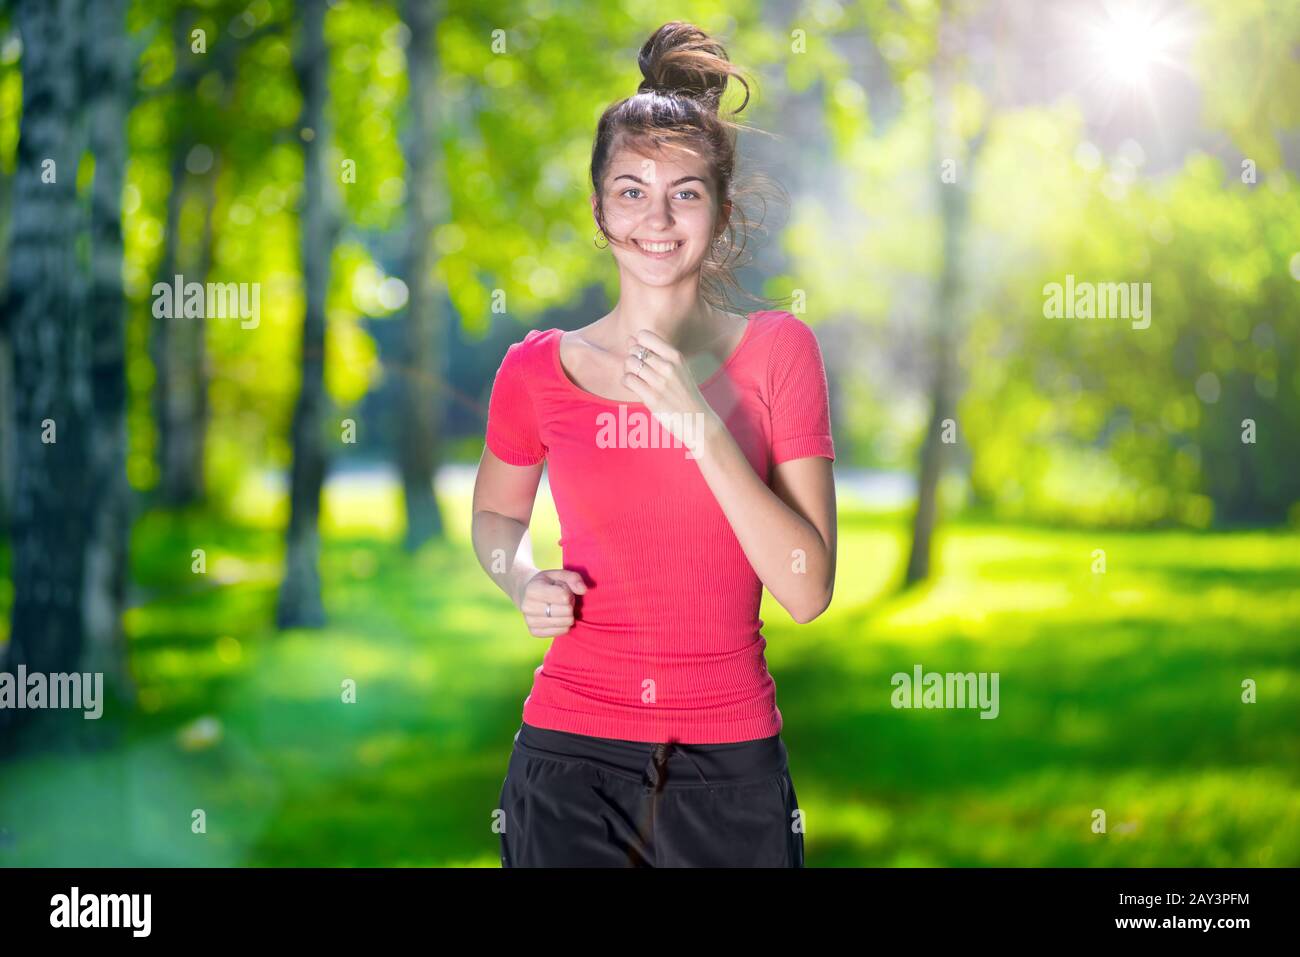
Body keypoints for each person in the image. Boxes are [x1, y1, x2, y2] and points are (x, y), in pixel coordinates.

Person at [471, 20, 837, 867]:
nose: (657, 218)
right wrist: (522, 578)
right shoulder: (537, 369)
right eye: (631, 190)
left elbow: (807, 588)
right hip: (569, 760)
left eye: (686, 192)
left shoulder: (778, 352)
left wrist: (695, 422)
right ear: (599, 208)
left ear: (720, 207)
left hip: (729, 773)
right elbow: (495, 515)